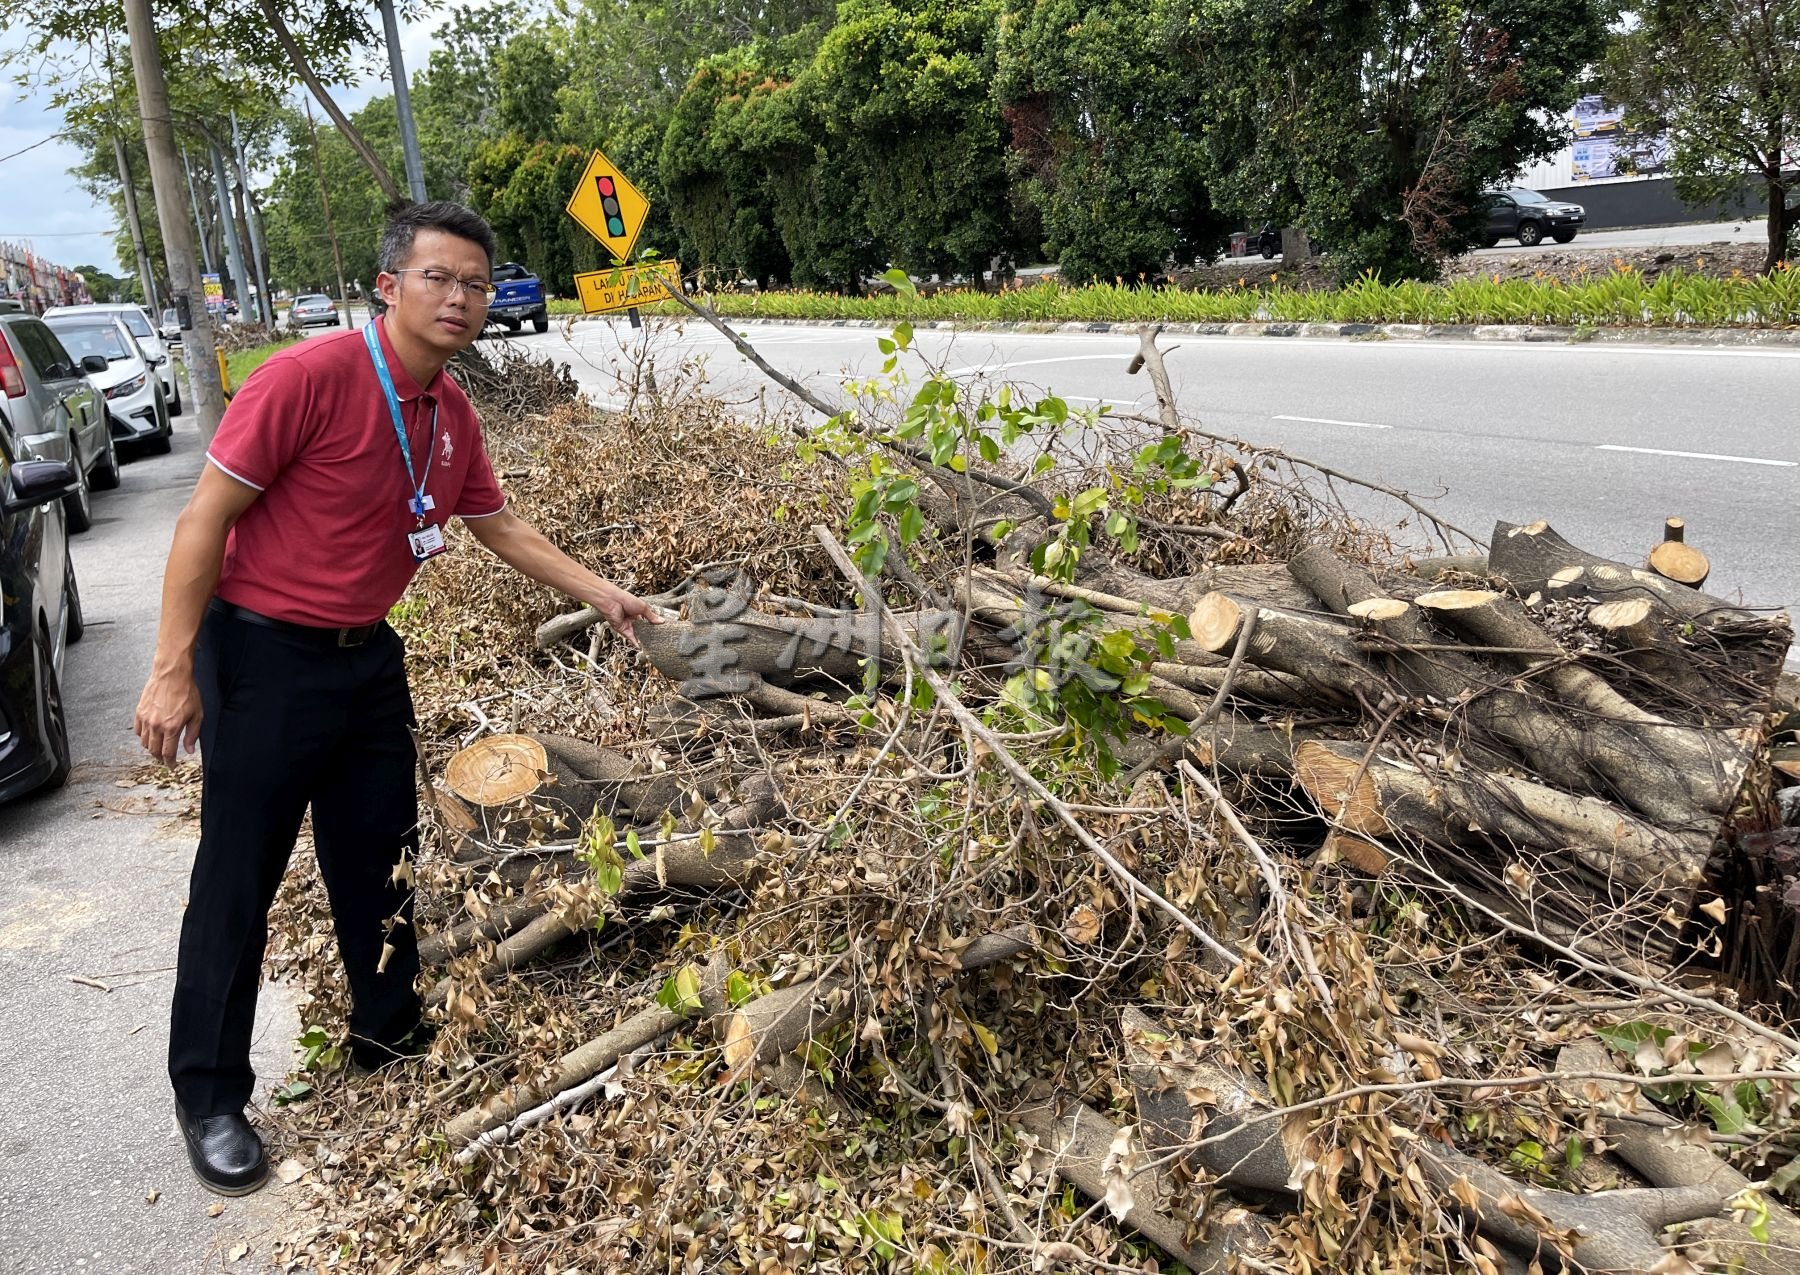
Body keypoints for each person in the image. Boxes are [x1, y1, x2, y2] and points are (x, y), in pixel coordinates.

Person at [133, 201, 660, 1196]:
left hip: (369, 658)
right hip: (259, 659)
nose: (460, 298)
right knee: (238, 879)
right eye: (438, 278)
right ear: (389, 286)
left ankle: (385, 1034)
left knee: (378, 857)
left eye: (476, 283)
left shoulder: (449, 411)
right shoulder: (304, 378)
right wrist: (172, 667)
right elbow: (204, 521)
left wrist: (601, 591)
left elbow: (499, 527)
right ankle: (209, 1096)